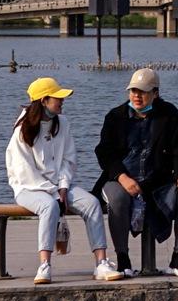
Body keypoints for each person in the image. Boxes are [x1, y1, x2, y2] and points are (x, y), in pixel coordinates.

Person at [7, 78, 121, 285]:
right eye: (57, 97)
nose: (62, 101)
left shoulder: (63, 123)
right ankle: (44, 265)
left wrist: (63, 187)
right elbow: (24, 172)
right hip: (29, 189)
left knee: (92, 204)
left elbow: (69, 160)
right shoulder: (22, 131)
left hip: (59, 187)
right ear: (44, 100)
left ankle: (101, 263)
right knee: (49, 207)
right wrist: (54, 193)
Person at [94, 68, 178, 277]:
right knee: (116, 198)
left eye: (143, 91)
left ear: (155, 93)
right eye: (133, 90)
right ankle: (123, 259)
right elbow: (104, 153)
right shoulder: (115, 117)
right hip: (120, 178)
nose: (137, 95)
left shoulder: (169, 114)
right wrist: (122, 177)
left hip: (157, 182)